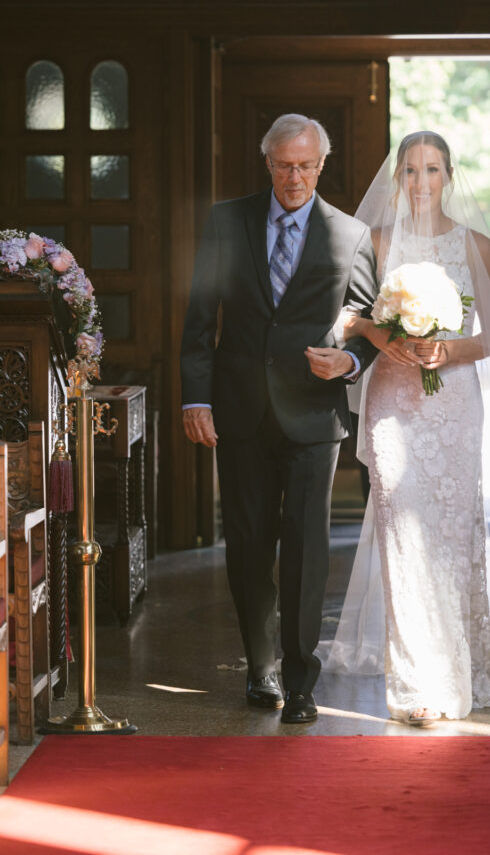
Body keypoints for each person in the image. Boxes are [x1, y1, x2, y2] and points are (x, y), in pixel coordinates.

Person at [180, 113, 378, 725]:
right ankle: (260, 665)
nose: (296, 177)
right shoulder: (225, 219)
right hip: (239, 412)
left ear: (323, 165)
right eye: (285, 165)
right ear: (267, 163)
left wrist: (347, 359)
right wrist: (196, 398)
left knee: (306, 550)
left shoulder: (351, 235)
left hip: (314, 417)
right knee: (247, 546)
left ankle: (299, 681)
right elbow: (198, 317)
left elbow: (369, 318)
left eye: (307, 165)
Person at [323, 130, 490, 726]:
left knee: (453, 536)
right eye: (410, 171)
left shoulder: (478, 246)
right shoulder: (375, 242)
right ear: (397, 180)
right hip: (393, 402)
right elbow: (349, 318)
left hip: (455, 402)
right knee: (403, 538)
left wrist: (445, 353)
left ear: (449, 178)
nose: (420, 183)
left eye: (432, 170)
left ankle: (467, 673)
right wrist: (390, 337)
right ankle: (417, 686)